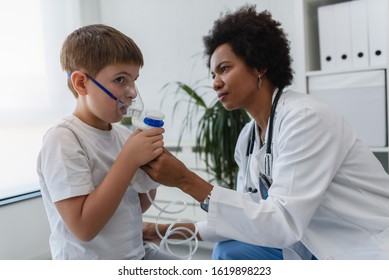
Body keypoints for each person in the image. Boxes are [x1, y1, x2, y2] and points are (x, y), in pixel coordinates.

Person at [142, 5, 389, 260]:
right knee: (229, 252)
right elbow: (246, 218)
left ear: (259, 65)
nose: (215, 82)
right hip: (308, 243)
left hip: (363, 246)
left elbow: (282, 222)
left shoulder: (305, 119)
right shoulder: (248, 139)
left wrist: (185, 180)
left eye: (224, 69)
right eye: (213, 74)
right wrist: (159, 230)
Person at [37, 24, 176, 260]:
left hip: (136, 254)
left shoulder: (123, 136)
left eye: (134, 80)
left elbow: (136, 207)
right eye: (120, 79)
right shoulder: (63, 139)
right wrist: (129, 159)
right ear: (81, 83)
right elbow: (84, 228)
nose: (132, 93)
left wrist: (151, 172)